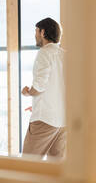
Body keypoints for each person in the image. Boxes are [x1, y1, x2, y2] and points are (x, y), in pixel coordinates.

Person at [21, 17, 66, 158]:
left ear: (43, 32)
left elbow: (40, 85)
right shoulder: (63, 54)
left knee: (28, 163)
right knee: (56, 167)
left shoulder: (44, 53)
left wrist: (28, 92)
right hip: (63, 121)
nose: (35, 35)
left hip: (45, 119)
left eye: (36, 31)